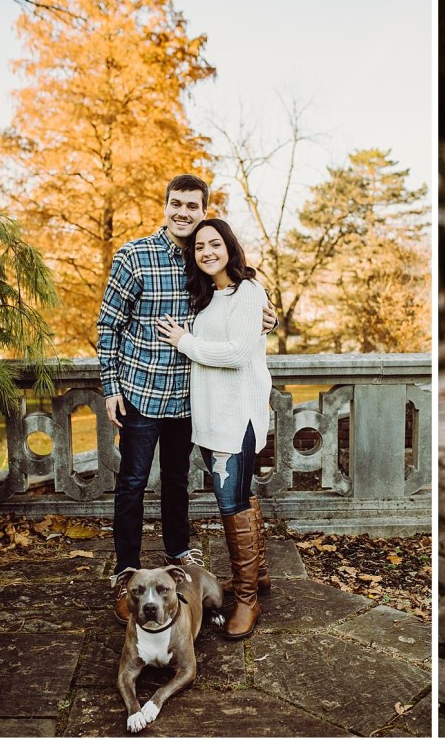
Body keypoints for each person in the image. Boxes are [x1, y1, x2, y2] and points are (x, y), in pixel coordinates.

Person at [96, 174, 275, 625]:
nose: (183, 212)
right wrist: (111, 388)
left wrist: (263, 318)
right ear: (166, 204)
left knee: (178, 482)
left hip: (189, 401)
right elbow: (107, 327)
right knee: (132, 484)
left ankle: (179, 558)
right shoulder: (134, 256)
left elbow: (233, 308)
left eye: (192, 206)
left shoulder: (202, 262)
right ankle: (125, 573)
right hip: (139, 394)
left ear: (203, 209)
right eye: (176, 203)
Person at [156, 218, 271, 639]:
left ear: (230, 247)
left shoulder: (248, 291)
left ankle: (246, 599)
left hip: (235, 417)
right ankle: (256, 575)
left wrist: (184, 342)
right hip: (209, 418)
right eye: (199, 246)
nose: (206, 251)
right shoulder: (207, 297)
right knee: (242, 496)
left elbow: (239, 353)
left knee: (232, 506)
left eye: (214, 244)